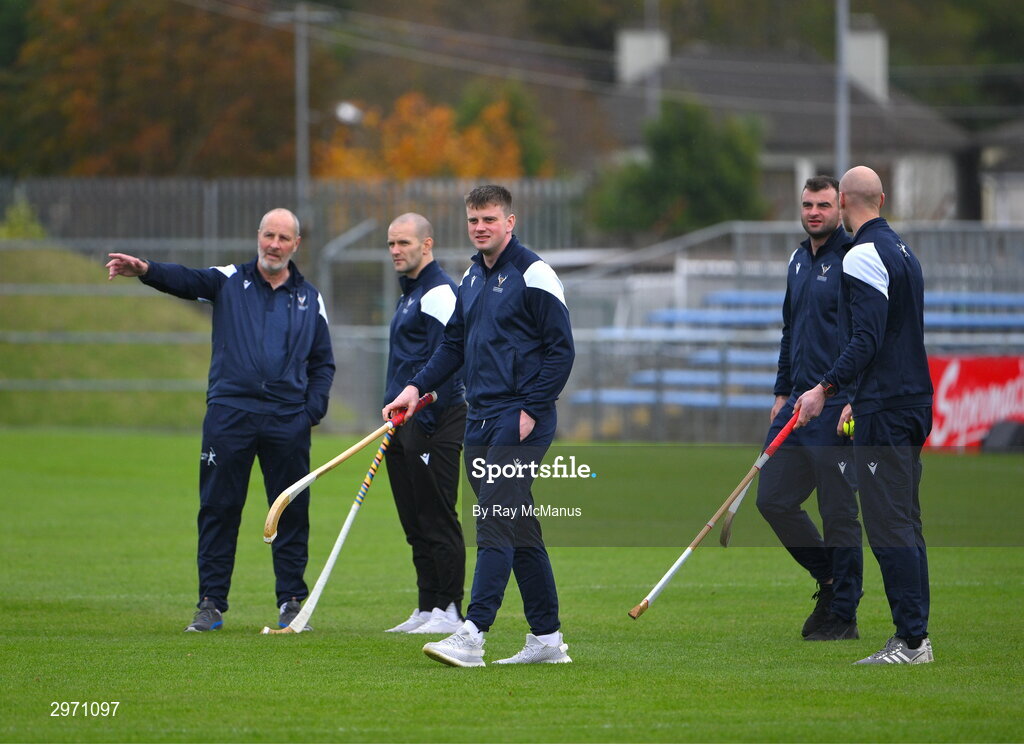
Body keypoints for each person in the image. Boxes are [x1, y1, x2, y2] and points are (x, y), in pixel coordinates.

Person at [106, 208, 335, 633]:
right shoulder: (230, 279)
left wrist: (310, 412)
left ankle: (290, 601)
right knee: (219, 508)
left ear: (296, 245)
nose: (274, 244)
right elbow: (186, 279)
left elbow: (323, 364)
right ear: (258, 236)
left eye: (284, 238)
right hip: (230, 415)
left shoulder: (310, 297)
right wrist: (146, 270)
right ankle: (211, 603)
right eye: (269, 235)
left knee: (289, 511)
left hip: (288, 422)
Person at [383, 185, 575, 667]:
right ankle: (547, 640)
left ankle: (473, 632)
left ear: (511, 221)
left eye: (490, 219)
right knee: (519, 527)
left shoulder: (535, 274)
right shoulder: (471, 277)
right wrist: (414, 388)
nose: (480, 228)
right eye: (473, 220)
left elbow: (561, 350)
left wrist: (532, 408)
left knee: (493, 519)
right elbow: (452, 346)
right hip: (480, 417)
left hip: (520, 419)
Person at [794, 166, 934, 664]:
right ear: (881, 197)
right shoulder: (903, 250)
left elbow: (867, 338)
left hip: (887, 408)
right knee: (907, 522)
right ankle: (917, 635)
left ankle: (911, 641)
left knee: (889, 525)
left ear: (847, 203)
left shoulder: (861, 254)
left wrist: (825, 388)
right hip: (915, 400)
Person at [756, 176, 864, 641]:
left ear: (839, 208)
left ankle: (843, 614)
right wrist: (782, 391)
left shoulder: (855, 259)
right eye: (807, 204)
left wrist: (850, 394)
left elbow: (867, 336)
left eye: (823, 204)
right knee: (773, 499)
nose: (814, 212)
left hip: (835, 402)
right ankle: (830, 579)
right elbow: (789, 328)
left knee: (838, 511)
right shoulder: (799, 259)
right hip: (797, 405)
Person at [381, 212, 468, 636]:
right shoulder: (409, 295)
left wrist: (426, 421)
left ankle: (449, 608)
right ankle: (426, 605)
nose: (396, 251)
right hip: (402, 424)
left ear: (426, 244)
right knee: (413, 519)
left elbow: (448, 363)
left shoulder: (439, 293)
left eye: (404, 243)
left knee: (437, 515)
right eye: (391, 244)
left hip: (435, 420)